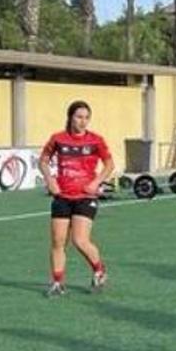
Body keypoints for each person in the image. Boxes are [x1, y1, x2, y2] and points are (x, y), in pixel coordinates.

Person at [38, 101, 114, 297]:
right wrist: (50, 180)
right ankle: (57, 283)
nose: (83, 121)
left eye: (86, 117)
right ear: (70, 117)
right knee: (58, 242)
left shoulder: (96, 140)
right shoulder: (58, 139)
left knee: (80, 240)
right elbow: (43, 160)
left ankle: (99, 270)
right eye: (79, 117)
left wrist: (96, 182)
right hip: (62, 196)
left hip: (85, 197)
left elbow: (109, 164)